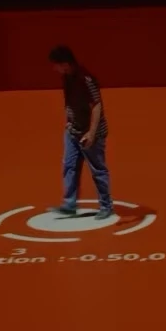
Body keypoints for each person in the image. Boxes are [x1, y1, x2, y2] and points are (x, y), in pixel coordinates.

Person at [48, 45, 113, 219]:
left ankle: (106, 206)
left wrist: (91, 133)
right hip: (73, 130)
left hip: (91, 134)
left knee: (98, 170)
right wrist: (69, 122)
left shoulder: (86, 79)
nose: (54, 69)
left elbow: (97, 105)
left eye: (56, 65)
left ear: (65, 64)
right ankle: (69, 204)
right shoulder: (66, 77)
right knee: (69, 166)